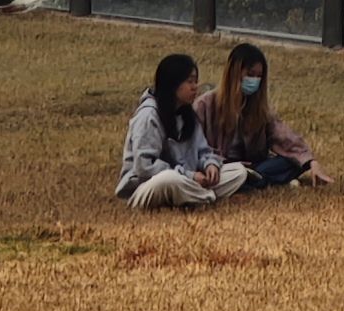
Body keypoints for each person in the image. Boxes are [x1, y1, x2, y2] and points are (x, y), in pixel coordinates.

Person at [116, 52, 246, 210]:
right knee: (169, 179)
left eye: (196, 81)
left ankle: (192, 197)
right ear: (172, 83)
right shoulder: (148, 115)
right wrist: (189, 175)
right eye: (189, 81)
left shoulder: (187, 114)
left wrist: (210, 165)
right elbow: (144, 167)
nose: (195, 87)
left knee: (238, 172)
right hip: (149, 187)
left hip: (188, 181)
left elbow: (203, 151)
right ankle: (206, 198)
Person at [207, 42, 324, 189]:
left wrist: (311, 161)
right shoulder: (206, 104)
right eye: (250, 75)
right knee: (237, 174)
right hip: (220, 166)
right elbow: (196, 148)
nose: (254, 80)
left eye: (259, 76)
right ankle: (257, 181)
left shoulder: (260, 108)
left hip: (254, 166)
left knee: (292, 162)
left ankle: (252, 181)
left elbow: (282, 135)